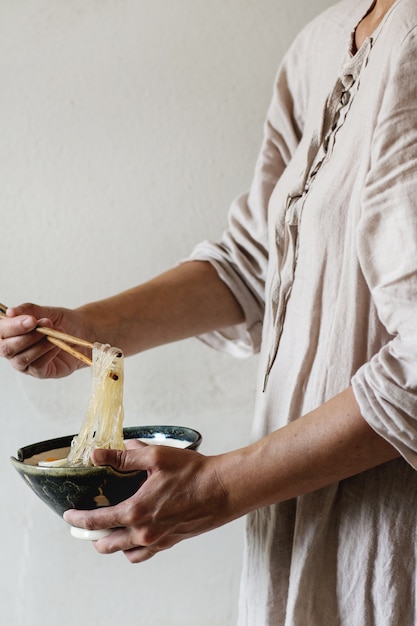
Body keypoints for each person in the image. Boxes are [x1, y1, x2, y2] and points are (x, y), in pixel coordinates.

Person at [1, 0, 417, 623]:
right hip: (296, 525)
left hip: (393, 539)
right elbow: (255, 261)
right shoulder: (320, 45)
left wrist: (222, 488)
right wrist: (90, 332)